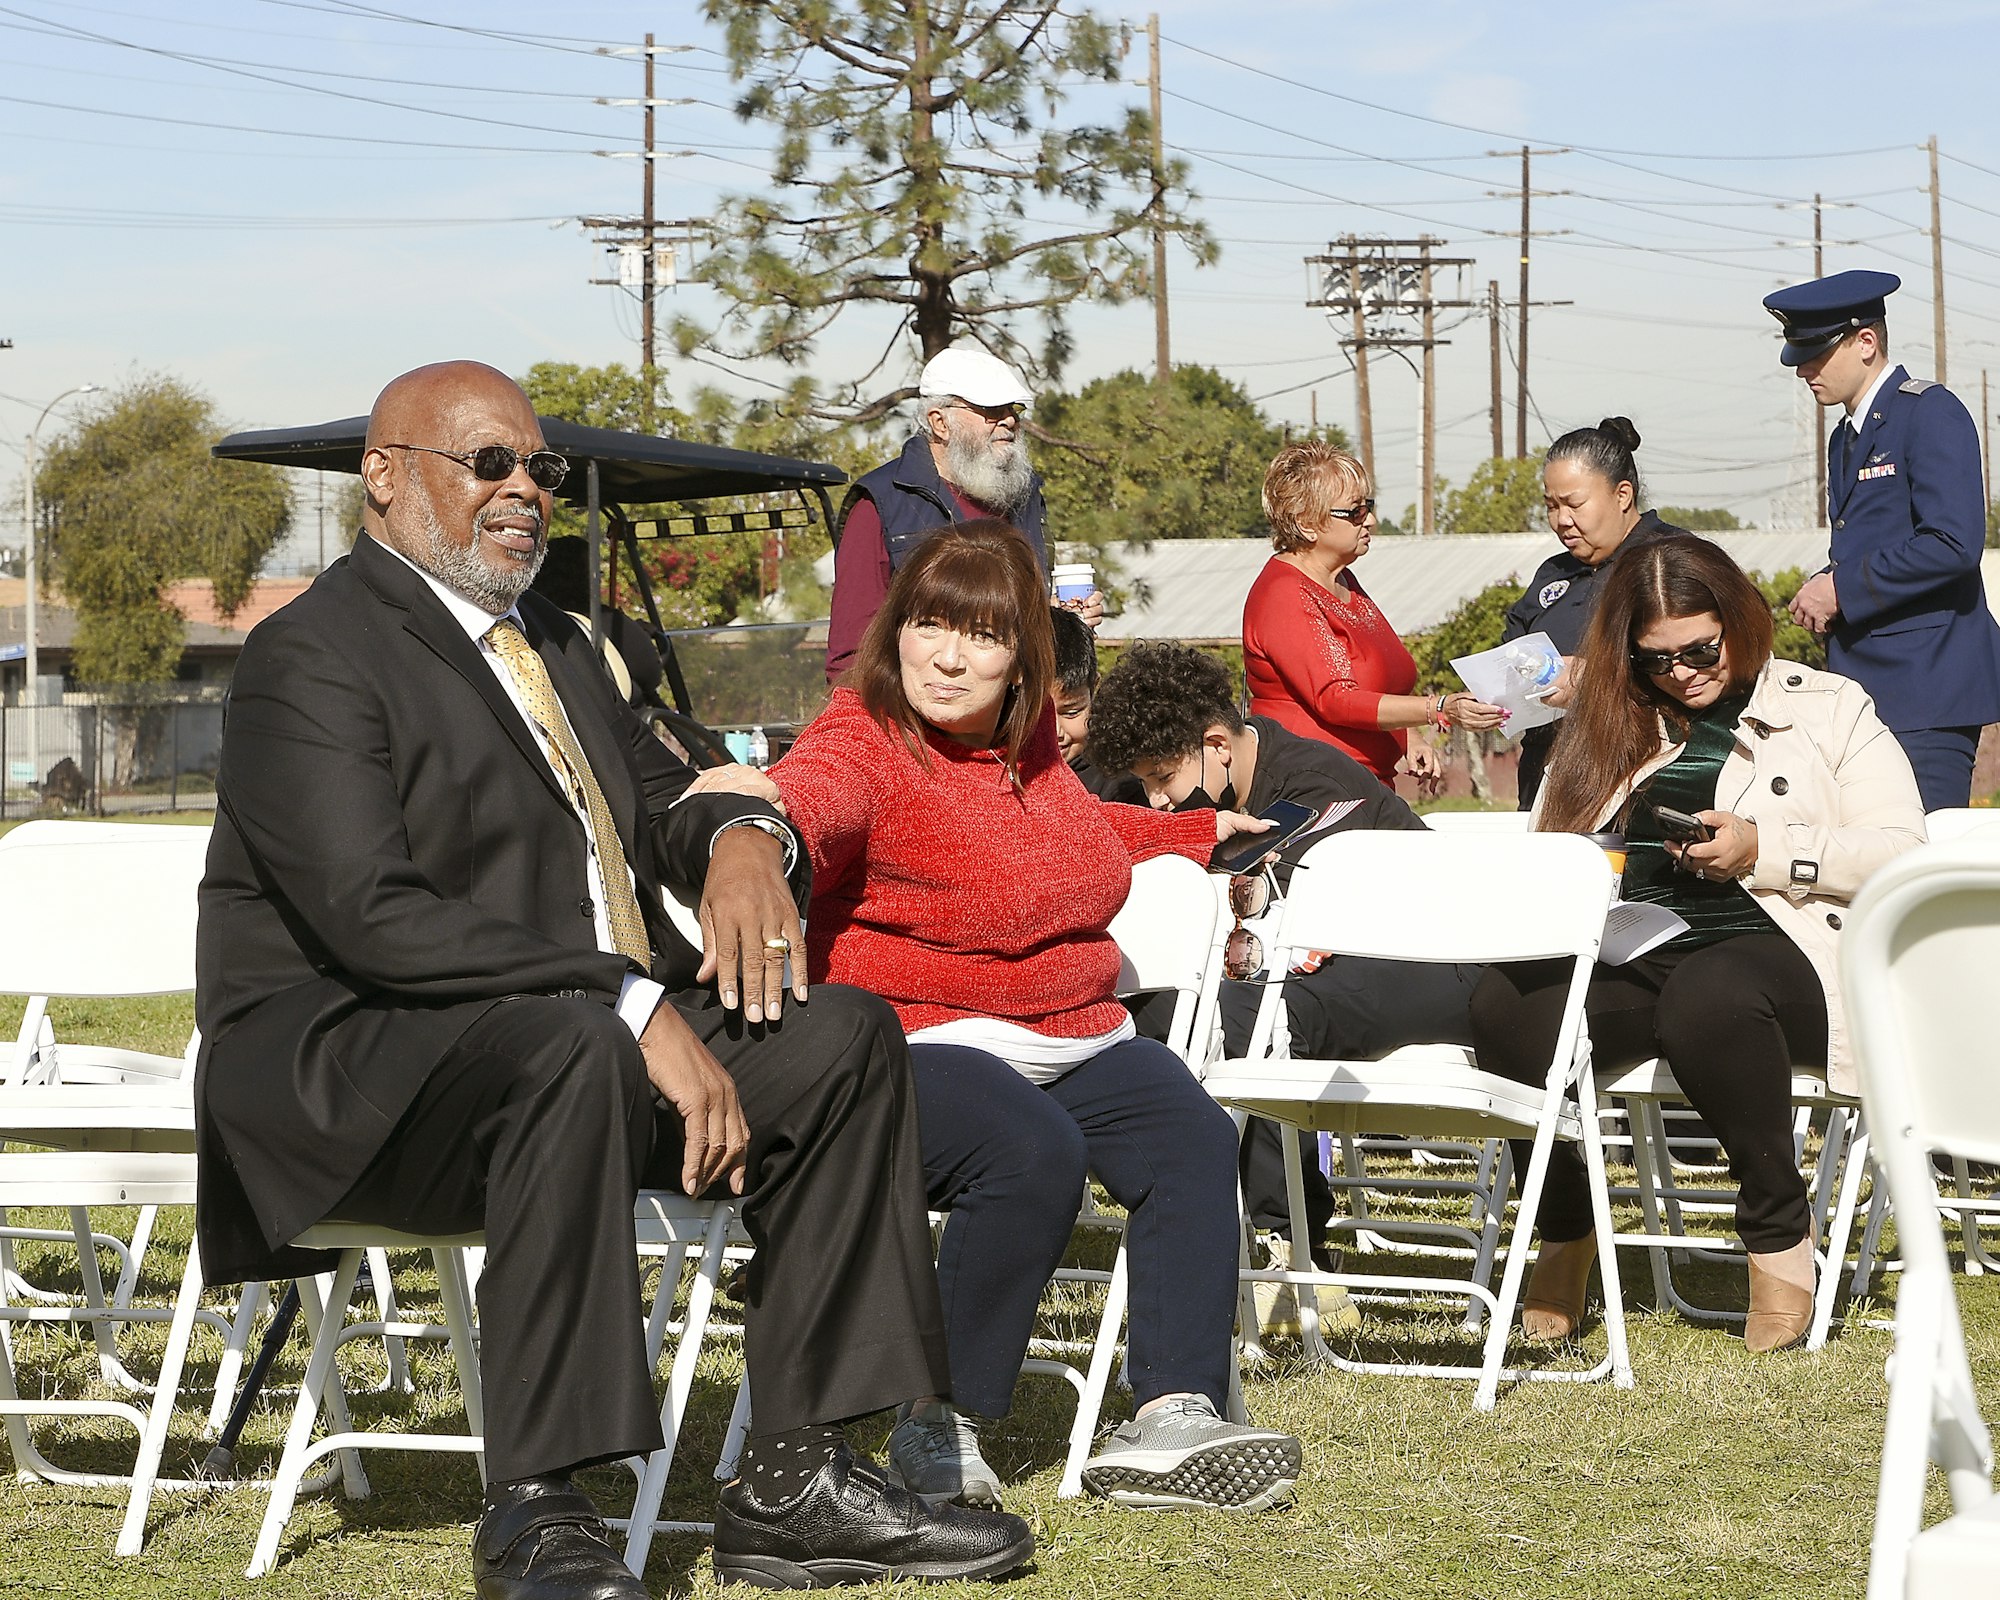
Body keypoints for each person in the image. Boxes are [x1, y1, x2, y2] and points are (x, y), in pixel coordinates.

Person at [194, 362, 1034, 1598]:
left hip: (553, 1046)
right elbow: (371, 919)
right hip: (358, 1074)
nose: (526, 490)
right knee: (571, 1043)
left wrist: (749, 843)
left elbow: (660, 801)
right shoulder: (308, 655)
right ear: (384, 478)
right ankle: (539, 1511)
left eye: (542, 469)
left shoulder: (553, 643)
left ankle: (796, 1477)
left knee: (842, 1036)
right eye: (490, 463)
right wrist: (631, 999)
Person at [766, 521, 1303, 1515]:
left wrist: (1191, 830)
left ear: (1024, 660)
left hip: (1067, 1026)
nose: (947, 655)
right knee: (1028, 1151)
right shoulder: (863, 736)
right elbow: (812, 797)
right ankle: (936, 1421)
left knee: (1187, 1131)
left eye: (981, 636)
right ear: (895, 634)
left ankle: (1170, 1415)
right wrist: (757, 813)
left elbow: (1069, 825)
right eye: (927, 625)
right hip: (911, 1037)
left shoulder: (1030, 751)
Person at [1469, 535, 1924, 1353]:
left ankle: (1780, 1235)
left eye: (1700, 649)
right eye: (1656, 659)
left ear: (1737, 619)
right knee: (1509, 1007)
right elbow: (1545, 848)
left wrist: (1764, 848)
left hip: (1786, 946)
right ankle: (1567, 1228)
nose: (1682, 672)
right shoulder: (1609, 718)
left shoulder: (1829, 704)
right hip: (1636, 944)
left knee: (1711, 996)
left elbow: (1902, 849)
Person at [1086, 641, 1481, 1290]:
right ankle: (1223, 1219)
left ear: (1216, 743)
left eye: (1163, 778)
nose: (1156, 800)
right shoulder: (1203, 787)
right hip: (1314, 970)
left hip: (1430, 959)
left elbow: (1289, 925)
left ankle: (1288, 1245)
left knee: (1238, 1018)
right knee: (1161, 1006)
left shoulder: (1310, 783)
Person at [1763, 268, 2000, 811]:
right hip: (1865, 689)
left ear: (1866, 341)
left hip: (1927, 689)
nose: (1803, 371)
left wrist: (1843, 589)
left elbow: (1954, 543)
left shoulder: (1930, 412)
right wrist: (1829, 582)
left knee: (1917, 867)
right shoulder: (1844, 438)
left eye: (1816, 355)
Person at [824, 345, 1100, 682]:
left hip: (1014, 722)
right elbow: (850, 655)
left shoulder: (1025, 497)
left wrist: (1062, 619)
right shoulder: (881, 503)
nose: (1010, 420)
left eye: (1012, 408)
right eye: (990, 409)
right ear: (939, 422)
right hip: (918, 723)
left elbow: (1023, 625)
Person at [1244, 440, 1503, 790]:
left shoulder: (1343, 581)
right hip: (1315, 790)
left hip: (1363, 785)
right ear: (1306, 523)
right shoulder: (1284, 594)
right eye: (1354, 512)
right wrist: (1438, 708)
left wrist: (1407, 736)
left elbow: (1374, 683)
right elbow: (1336, 698)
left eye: (1368, 507)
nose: (1371, 521)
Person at [1502, 418, 1688, 808]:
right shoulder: (1554, 572)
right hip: (1546, 775)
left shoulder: (1675, 557)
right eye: (1551, 506)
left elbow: (1710, 661)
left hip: (1642, 773)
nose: (1562, 520)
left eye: (1574, 504)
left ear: (1623, 495)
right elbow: (1511, 649)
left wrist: (1595, 677)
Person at [1051, 605, 1145, 803]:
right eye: (1038, 716)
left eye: (1072, 712)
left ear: (1094, 688)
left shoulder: (1121, 785)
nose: (1055, 732)